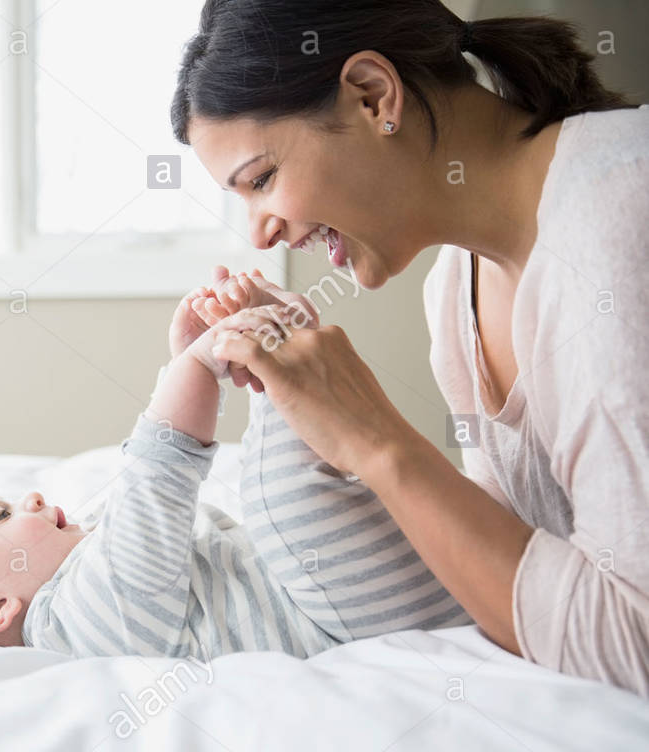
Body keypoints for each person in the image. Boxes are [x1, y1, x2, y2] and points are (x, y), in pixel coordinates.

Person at [173, 0, 648, 696]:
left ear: (372, 95)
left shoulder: (614, 220)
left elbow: (634, 643)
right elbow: (509, 577)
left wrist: (377, 441)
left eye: (262, 179)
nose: (260, 235)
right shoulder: (455, 289)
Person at [0, 274, 469, 656]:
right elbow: (156, 481)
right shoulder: (76, 629)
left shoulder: (85, 568)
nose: (24, 501)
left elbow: (151, 507)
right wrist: (198, 370)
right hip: (349, 620)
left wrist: (189, 361)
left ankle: (280, 349)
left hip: (354, 589)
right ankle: (280, 350)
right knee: (275, 496)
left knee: (288, 489)